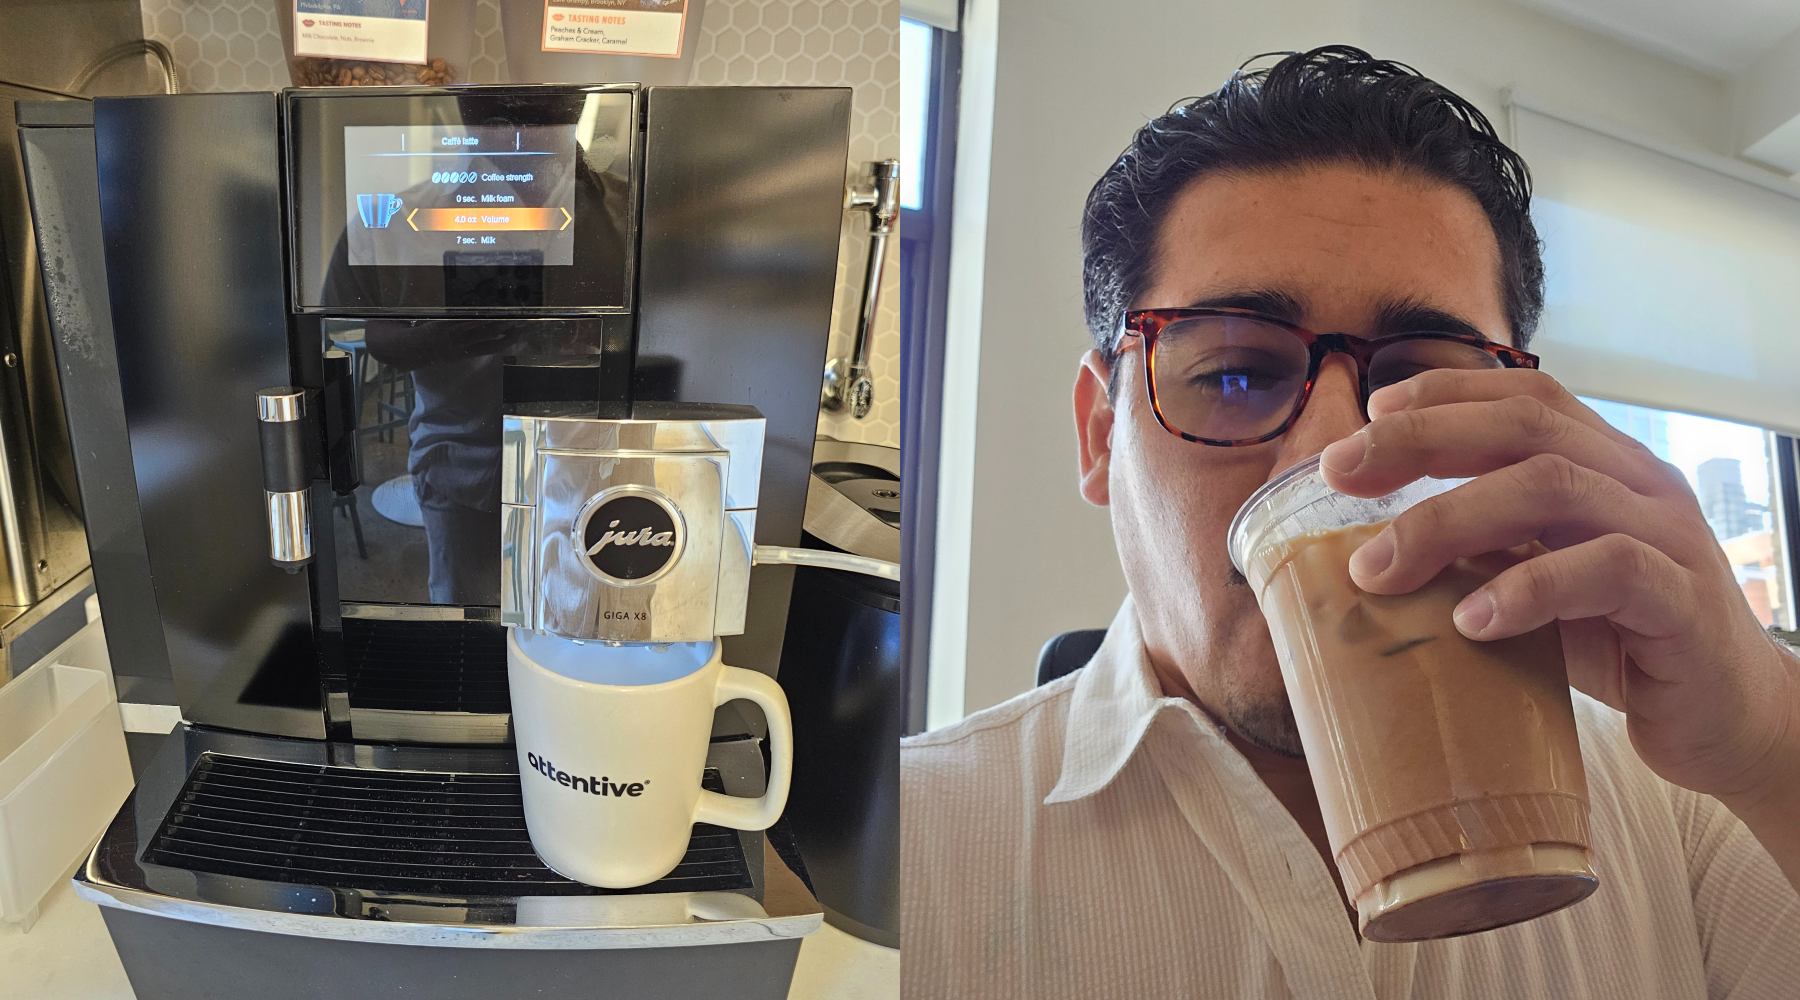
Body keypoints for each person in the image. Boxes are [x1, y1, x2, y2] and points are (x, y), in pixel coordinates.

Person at [900, 46, 1800, 999]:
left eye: (1417, 382)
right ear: (1098, 438)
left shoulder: (1701, 803)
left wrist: (1776, 741)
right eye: (1237, 374)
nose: (1340, 464)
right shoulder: (918, 851)